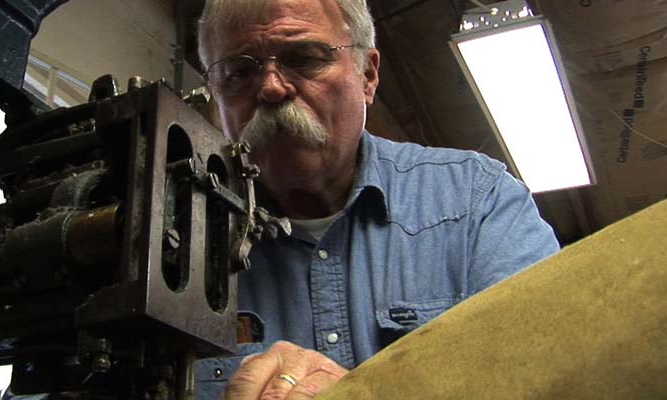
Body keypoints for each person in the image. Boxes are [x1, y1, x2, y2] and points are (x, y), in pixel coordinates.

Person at [194, 0, 561, 398]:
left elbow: (554, 376)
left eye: (304, 58)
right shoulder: (179, 244)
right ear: (214, 92)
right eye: (239, 71)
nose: (270, 87)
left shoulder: (478, 204)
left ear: (367, 76)